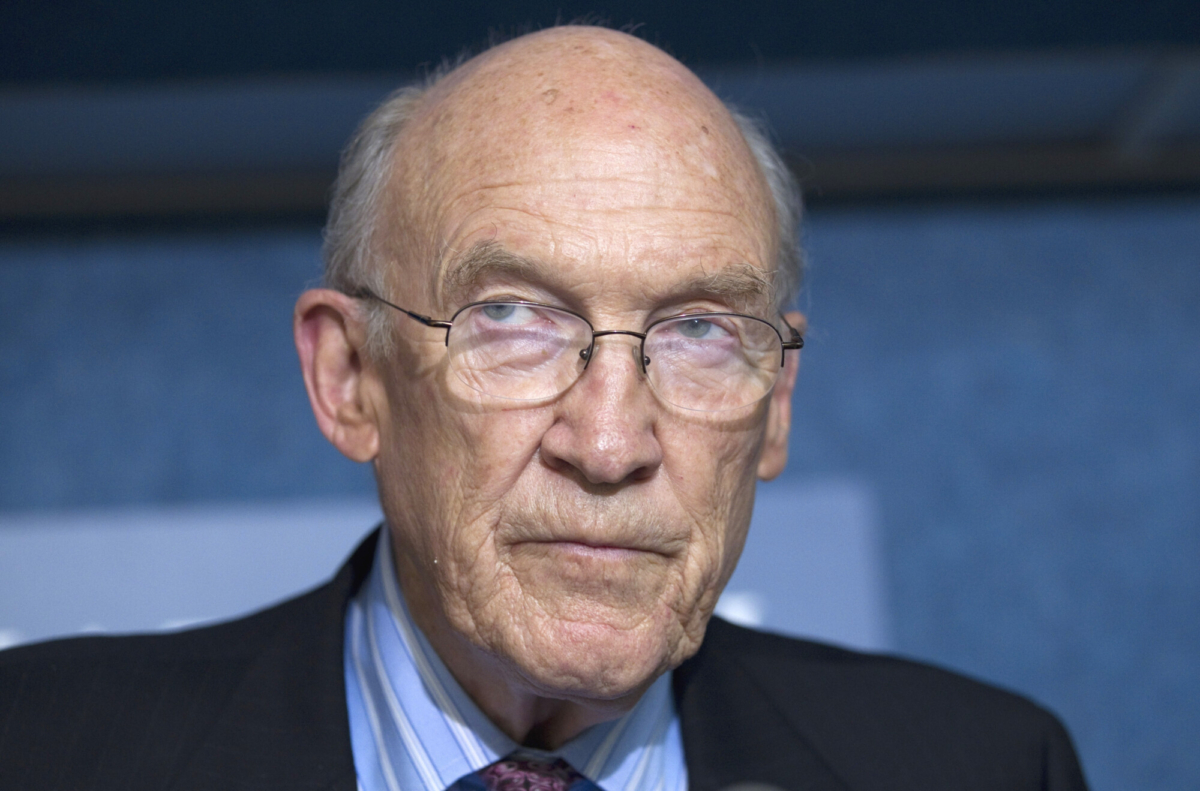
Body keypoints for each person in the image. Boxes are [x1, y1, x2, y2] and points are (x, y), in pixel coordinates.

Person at [0, 25, 1087, 791]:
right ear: (349, 377)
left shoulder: (983, 765)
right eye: (513, 319)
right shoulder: (43, 750)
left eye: (701, 329)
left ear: (778, 404)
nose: (610, 443)